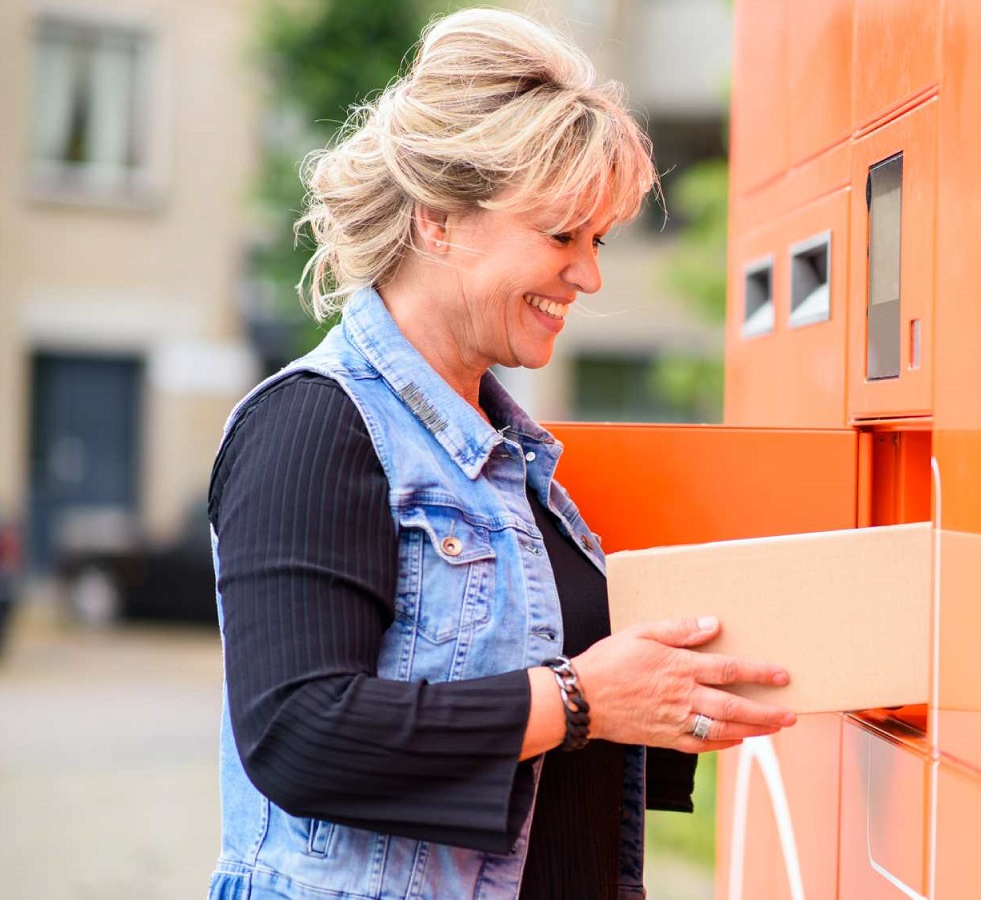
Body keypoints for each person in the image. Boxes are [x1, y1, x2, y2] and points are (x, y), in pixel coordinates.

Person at [206, 9, 796, 899]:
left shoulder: (514, 458)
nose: (589, 275)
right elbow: (298, 733)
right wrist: (579, 699)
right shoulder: (313, 425)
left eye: (597, 241)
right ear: (439, 221)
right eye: (561, 235)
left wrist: (676, 692)